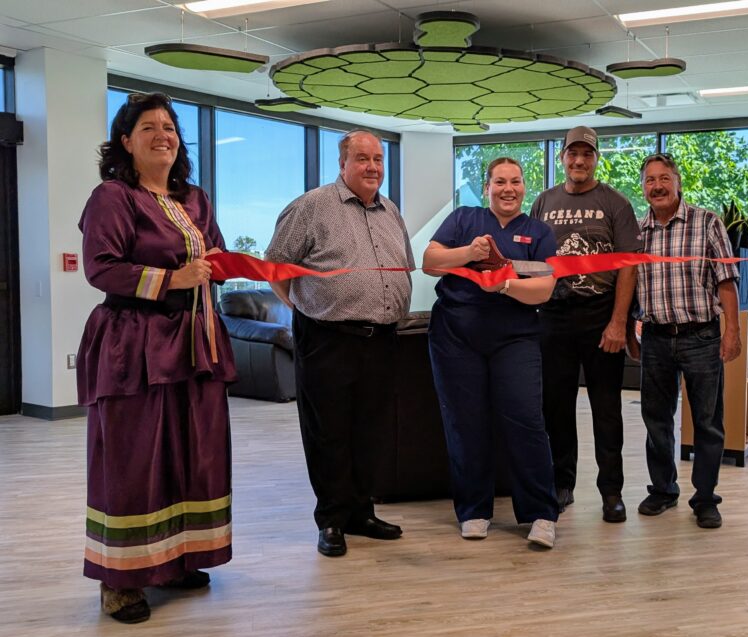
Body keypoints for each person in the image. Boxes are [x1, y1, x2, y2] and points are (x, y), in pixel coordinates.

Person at [77, 92, 236, 624]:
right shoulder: (112, 197)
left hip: (195, 340)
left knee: (192, 452)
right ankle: (119, 582)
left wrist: (227, 264)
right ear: (126, 141)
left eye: (169, 127)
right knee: (134, 459)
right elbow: (100, 268)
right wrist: (172, 278)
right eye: (148, 127)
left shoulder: (195, 199)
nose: (161, 134)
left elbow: (210, 252)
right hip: (133, 343)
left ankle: (175, 560)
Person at [265, 130, 414, 557]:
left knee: (371, 431)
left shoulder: (391, 211)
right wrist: (305, 307)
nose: (372, 167)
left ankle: (361, 512)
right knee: (328, 432)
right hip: (329, 339)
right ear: (342, 164)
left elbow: (401, 264)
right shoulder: (312, 206)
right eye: (362, 158)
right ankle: (331, 519)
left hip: (382, 339)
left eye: (378, 159)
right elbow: (275, 266)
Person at [423, 157, 560, 548]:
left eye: (515, 182)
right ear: (487, 187)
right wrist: (468, 252)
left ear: (524, 187)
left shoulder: (538, 232)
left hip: (515, 338)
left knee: (526, 420)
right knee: (466, 423)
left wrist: (502, 286)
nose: (508, 189)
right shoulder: (464, 219)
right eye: (499, 181)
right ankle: (474, 510)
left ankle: (540, 514)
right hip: (455, 337)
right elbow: (430, 262)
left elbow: (545, 290)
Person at [530, 126, 642, 523]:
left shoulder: (615, 203)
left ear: (596, 158)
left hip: (600, 316)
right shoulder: (544, 201)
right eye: (572, 154)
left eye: (587, 154)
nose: (579, 161)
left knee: (607, 409)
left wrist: (617, 323)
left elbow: (629, 267)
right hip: (554, 316)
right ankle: (563, 484)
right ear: (562, 157)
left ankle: (611, 491)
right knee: (555, 407)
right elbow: (533, 261)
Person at [626, 153, 741, 529]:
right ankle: (663, 490)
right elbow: (628, 287)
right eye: (649, 180)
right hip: (656, 337)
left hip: (701, 336)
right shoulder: (637, 230)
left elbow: (726, 280)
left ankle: (705, 497)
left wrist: (732, 331)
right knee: (657, 420)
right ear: (643, 186)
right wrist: (629, 329)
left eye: (664, 178)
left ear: (677, 181)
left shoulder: (707, 222)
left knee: (707, 422)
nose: (656, 186)